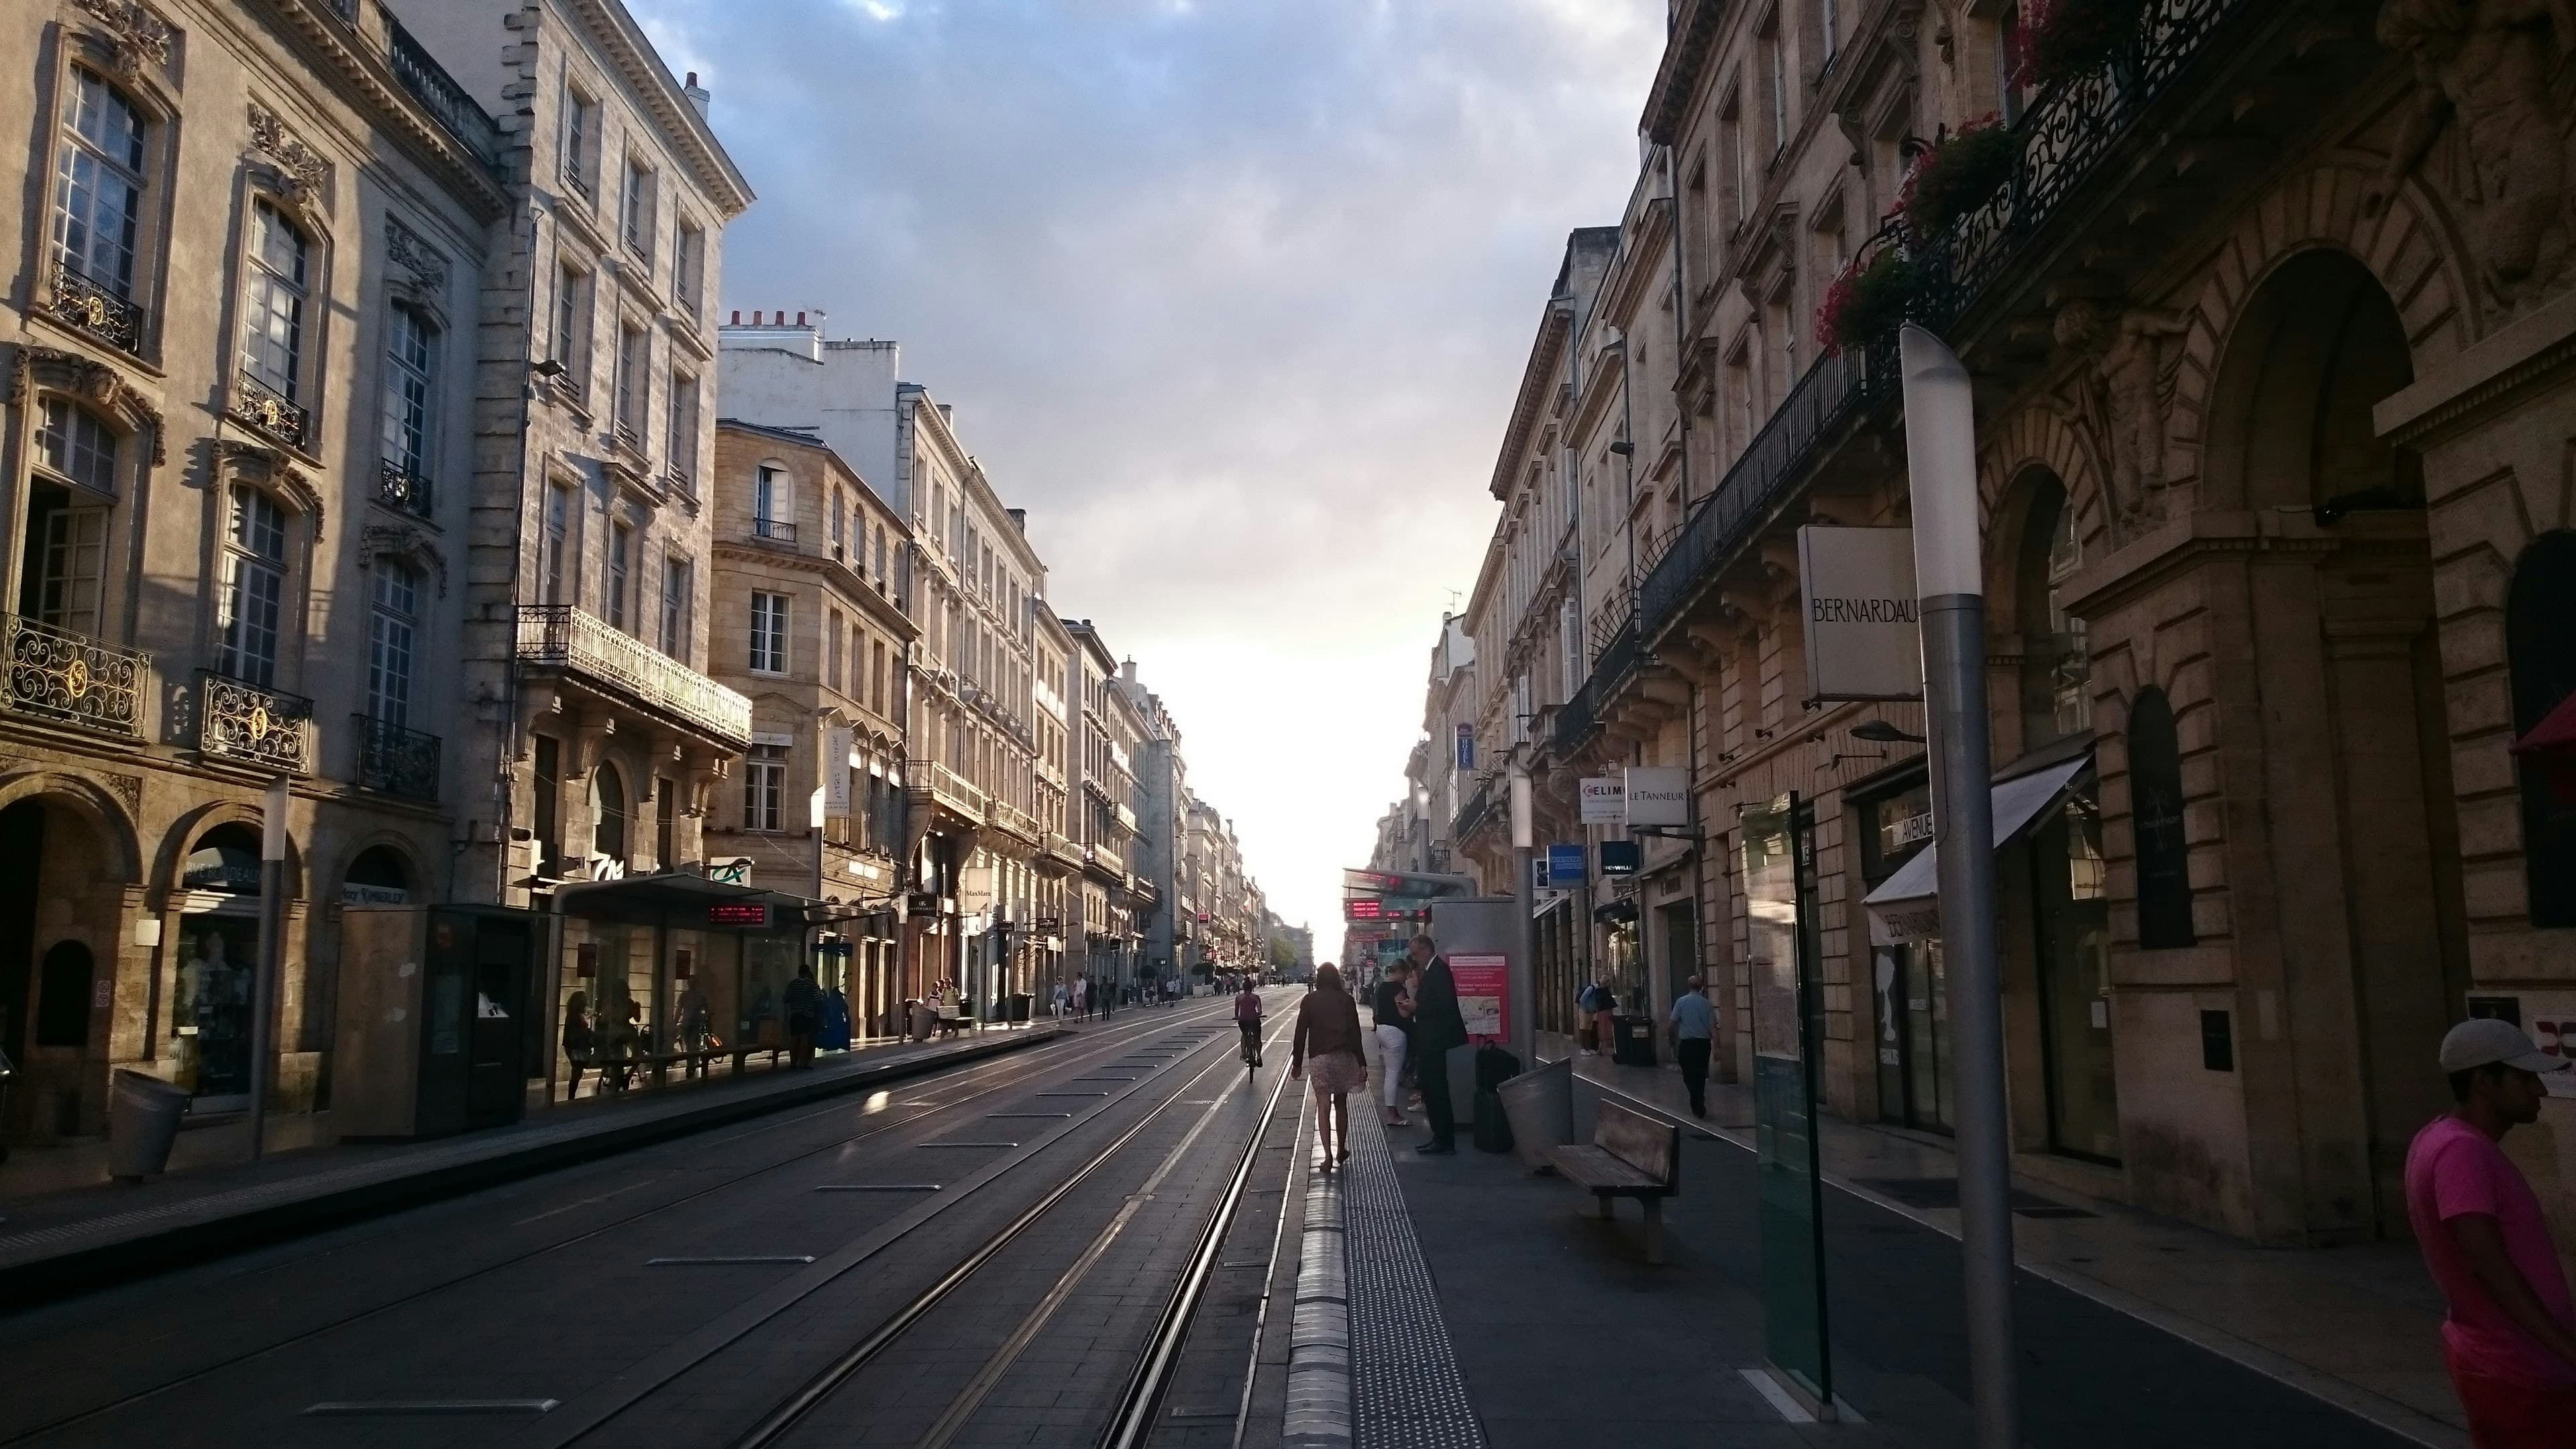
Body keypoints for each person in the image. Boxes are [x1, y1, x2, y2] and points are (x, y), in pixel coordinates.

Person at [2408, 1017, 2576, 1445]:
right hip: (2520, 1371)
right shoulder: (2462, 1151)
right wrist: (2566, 1348)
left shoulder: (2438, 1139)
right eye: (2525, 1078)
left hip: (2508, 1365)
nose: (2540, 1090)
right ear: (2484, 1082)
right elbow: (2485, 1259)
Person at [1292, 964, 1367, 1167]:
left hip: (1320, 1058)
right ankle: (1341, 1148)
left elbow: (1300, 1033)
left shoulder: (1310, 1000)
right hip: (1343, 1056)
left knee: (1323, 1105)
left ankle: (1327, 1157)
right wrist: (1362, 1063)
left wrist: (1297, 1063)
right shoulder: (1347, 1000)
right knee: (1341, 1104)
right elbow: (1356, 1033)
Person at [1406, 935, 1464, 1155]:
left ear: (1426, 950)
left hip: (1435, 1040)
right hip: (1431, 1040)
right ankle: (1440, 1136)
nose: (1414, 959)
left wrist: (1416, 1008)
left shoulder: (1439, 971)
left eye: (1415, 954)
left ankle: (1444, 1139)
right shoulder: (1433, 971)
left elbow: (1442, 1005)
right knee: (1432, 1088)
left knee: (1436, 1089)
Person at [1371, 960, 1414, 1127]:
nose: (1407, 978)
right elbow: (1404, 1014)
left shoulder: (1382, 986)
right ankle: (1392, 1115)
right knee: (1394, 1074)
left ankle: (1392, 1112)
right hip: (1395, 1033)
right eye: (1406, 974)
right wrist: (1412, 1005)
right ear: (1401, 971)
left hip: (1382, 1030)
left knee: (1390, 1074)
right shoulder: (1398, 989)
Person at [1668, 975, 1715, 1118]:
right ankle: (1698, 1099)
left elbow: (1672, 1023)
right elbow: (1713, 1027)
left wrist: (1671, 1040)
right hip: (1703, 1044)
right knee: (1700, 1074)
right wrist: (1718, 1046)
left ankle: (1697, 1100)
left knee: (1688, 1074)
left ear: (1689, 986)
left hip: (1687, 1045)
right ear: (1702, 987)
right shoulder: (1707, 1004)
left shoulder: (1681, 1002)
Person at [783, 965, 822, 1069]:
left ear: (798, 972)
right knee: (805, 1038)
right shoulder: (812, 985)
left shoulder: (792, 984)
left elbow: (786, 998)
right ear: (807, 972)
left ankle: (793, 1062)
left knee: (794, 1038)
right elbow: (818, 999)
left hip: (795, 1015)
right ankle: (803, 1062)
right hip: (808, 1015)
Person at [561, 990, 597, 1100]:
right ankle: (571, 1097)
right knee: (577, 1072)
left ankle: (571, 1096)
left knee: (577, 1073)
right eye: (584, 1000)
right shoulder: (574, 1017)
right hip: (576, 1047)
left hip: (575, 1047)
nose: (586, 1002)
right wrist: (588, 1035)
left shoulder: (574, 1015)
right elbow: (577, 1034)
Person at [1582, 977, 1617, 1059]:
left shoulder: (1597, 991)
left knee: (1602, 1029)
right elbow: (1609, 1001)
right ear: (1606, 983)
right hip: (1606, 1012)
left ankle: (1600, 1048)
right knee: (1607, 1030)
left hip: (1600, 1012)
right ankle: (1604, 1049)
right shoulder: (1605, 991)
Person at [1235, 977, 1266, 1065]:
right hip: (1254, 1020)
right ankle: (1259, 1056)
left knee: (1244, 1035)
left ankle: (1243, 1053)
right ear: (1251, 988)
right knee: (1257, 1038)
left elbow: (1236, 1011)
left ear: (1243, 988)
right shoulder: (1256, 998)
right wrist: (1258, 1014)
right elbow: (1260, 1011)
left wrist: (1237, 1017)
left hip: (1243, 1021)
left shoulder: (1239, 998)